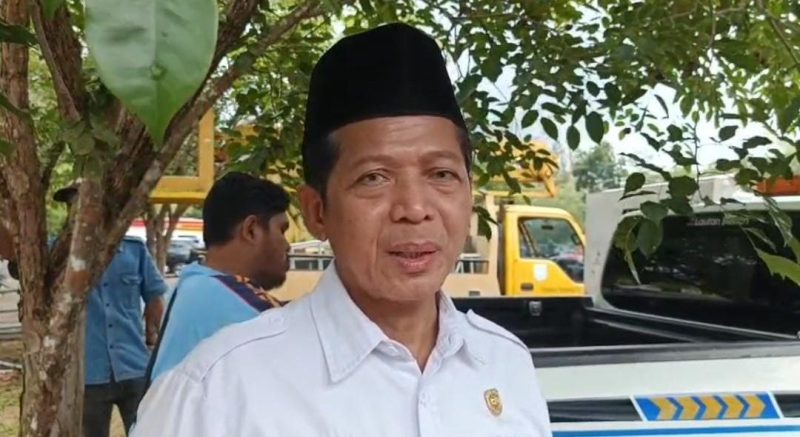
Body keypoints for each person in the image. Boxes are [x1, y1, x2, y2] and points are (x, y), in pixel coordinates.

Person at [133, 23, 552, 436]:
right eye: (374, 178)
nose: (414, 209)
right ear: (317, 212)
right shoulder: (215, 392)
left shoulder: (505, 363)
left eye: (441, 174)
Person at [5, 183, 167, 437]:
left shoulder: (134, 250)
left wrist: (153, 336)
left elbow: (155, 297)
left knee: (150, 432)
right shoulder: (55, 253)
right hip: (87, 375)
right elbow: (20, 264)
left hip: (134, 366)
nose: (82, 213)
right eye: (74, 207)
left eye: (89, 205)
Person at [145, 172, 290, 384]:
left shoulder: (193, 281)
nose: (287, 245)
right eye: (282, 230)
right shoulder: (245, 308)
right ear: (251, 230)